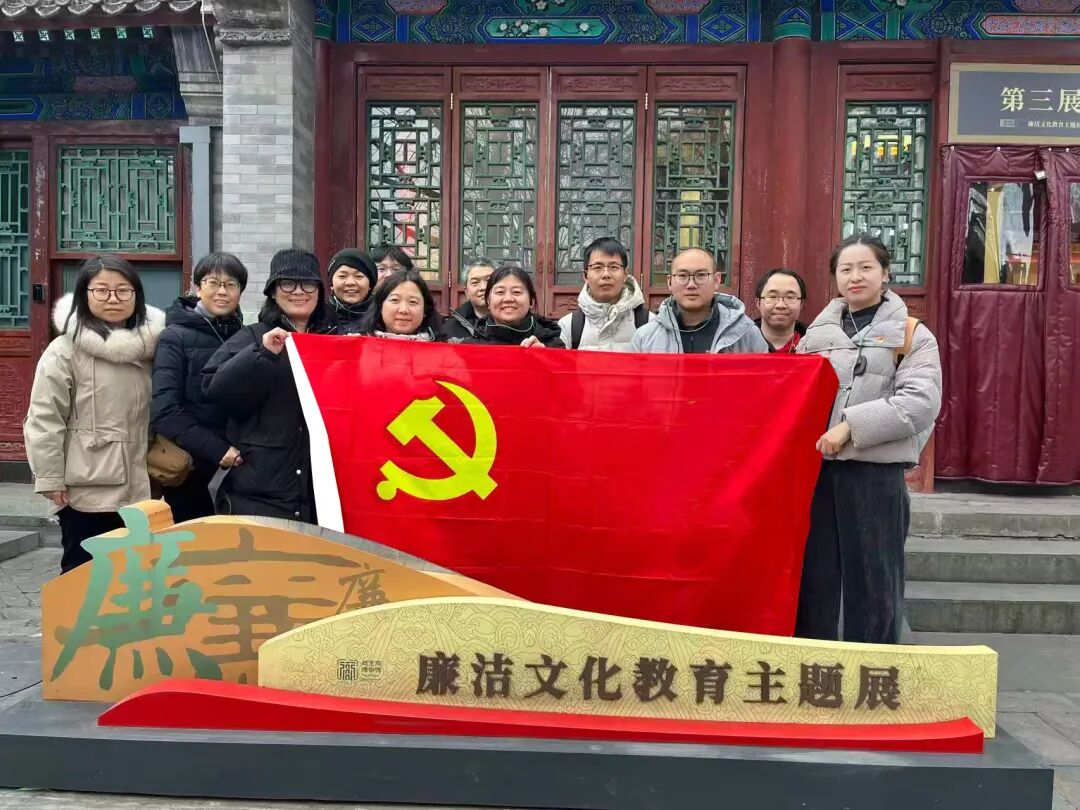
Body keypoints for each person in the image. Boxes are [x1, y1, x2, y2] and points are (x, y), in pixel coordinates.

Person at [795, 233, 942, 645]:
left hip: (874, 476)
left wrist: (850, 426)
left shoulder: (912, 334)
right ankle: (815, 664)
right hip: (818, 475)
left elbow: (920, 403)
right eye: (846, 269)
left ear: (885, 273)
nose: (855, 276)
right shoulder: (816, 336)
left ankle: (873, 666)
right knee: (814, 578)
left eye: (865, 267)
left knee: (875, 582)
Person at [24, 256, 165, 572]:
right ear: (84, 295)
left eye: (123, 290)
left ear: (137, 295)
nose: (113, 299)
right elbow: (45, 417)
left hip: (144, 485)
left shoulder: (153, 348)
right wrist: (50, 477)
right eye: (101, 290)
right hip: (88, 485)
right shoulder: (65, 350)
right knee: (85, 575)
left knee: (134, 576)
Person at [201, 248, 335, 523]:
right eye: (288, 283)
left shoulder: (334, 340)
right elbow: (217, 390)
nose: (299, 292)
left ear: (319, 291)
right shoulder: (253, 336)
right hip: (260, 491)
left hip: (321, 492)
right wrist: (263, 355)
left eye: (308, 284)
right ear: (273, 291)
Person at [151, 253, 248, 522]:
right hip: (193, 467)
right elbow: (165, 410)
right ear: (197, 287)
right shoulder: (174, 337)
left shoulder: (245, 335)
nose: (222, 291)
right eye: (213, 283)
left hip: (238, 464)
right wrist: (217, 450)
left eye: (231, 284)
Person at [630, 248, 769, 354]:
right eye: (682, 276)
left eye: (701, 275)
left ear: (717, 280)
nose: (691, 284)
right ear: (669, 282)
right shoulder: (645, 338)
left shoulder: (746, 334)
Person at [558, 237, 652, 352]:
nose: (606, 274)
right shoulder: (568, 326)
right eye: (597, 267)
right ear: (585, 275)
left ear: (625, 274)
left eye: (614, 267)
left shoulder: (650, 323)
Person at [465, 265, 564, 348]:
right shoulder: (468, 348)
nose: (508, 299)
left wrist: (545, 357)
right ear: (488, 301)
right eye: (500, 292)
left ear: (531, 301)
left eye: (517, 292)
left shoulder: (553, 346)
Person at [360, 269, 442, 341]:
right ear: (380, 306)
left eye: (413, 302)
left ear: (425, 309)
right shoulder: (361, 344)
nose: (403, 310)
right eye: (395, 300)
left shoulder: (443, 348)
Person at [441, 257, 495, 342]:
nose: (483, 287)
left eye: (488, 280)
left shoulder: (513, 322)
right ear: (466, 292)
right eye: (475, 282)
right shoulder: (450, 328)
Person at [753, 268, 807, 353]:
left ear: (801, 304)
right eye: (772, 297)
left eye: (790, 297)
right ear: (758, 303)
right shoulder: (741, 344)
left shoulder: (814, 346)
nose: (780, 305)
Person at [327, 248, 377, 334]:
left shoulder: (382, 317)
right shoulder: (319, 318)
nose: (350, 283)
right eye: (342, 276)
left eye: (359, 276)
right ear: (331, 284)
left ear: (370, 285)